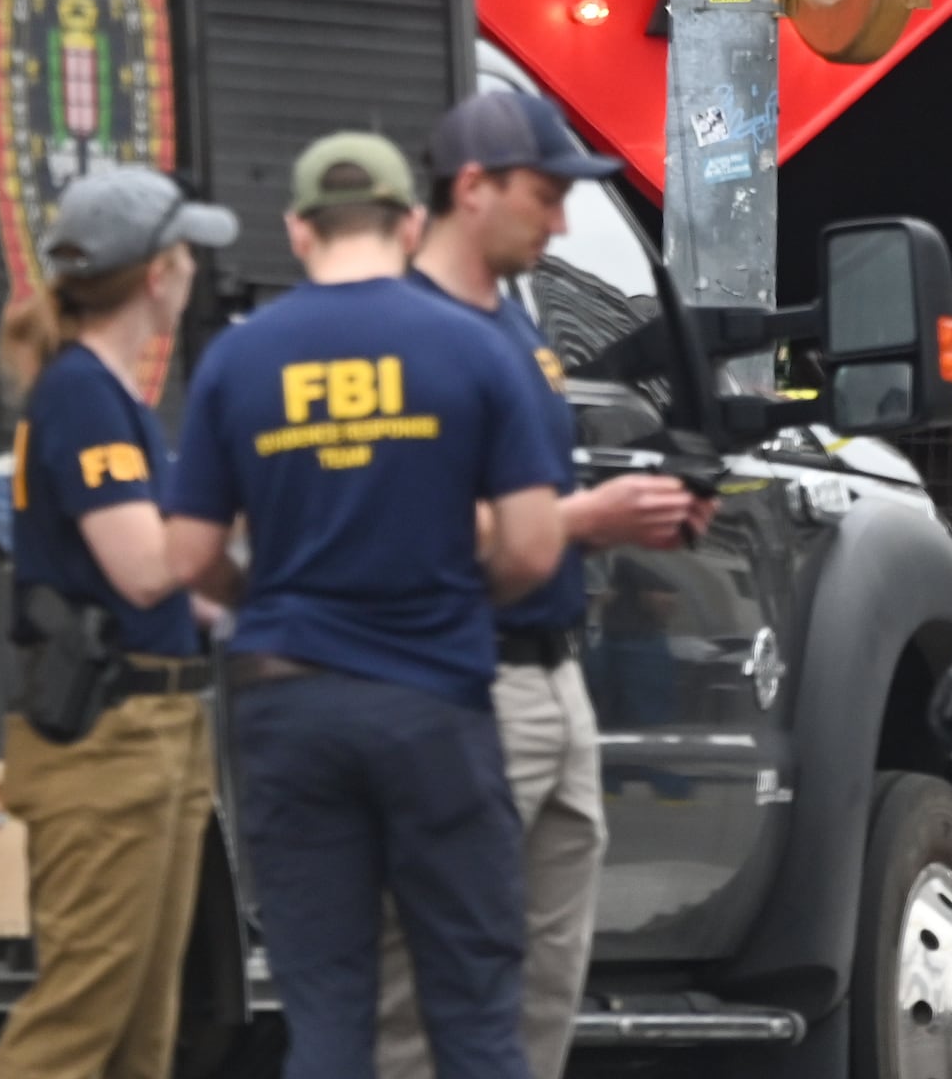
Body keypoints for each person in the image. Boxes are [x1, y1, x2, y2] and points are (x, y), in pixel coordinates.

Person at [165, 133, 570, 1079]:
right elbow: (534, 547)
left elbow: (188, 558)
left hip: (287, 708)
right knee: (472, 1008)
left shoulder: (238, 359)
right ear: (414, 222)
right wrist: (460, 596)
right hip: (435, 707)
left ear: (300, 231)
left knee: (329, 1011)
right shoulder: (476, 349)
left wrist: (259, 592)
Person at [379, 88, 709, 1079]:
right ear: (471, 188)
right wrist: (587, 521)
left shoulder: (516, 326)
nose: (563, 220)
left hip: (553, 678)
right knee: (421, 995)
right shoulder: (404, 333)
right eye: (547, 194)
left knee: (541, 993)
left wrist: (634, 517)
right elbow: (402, 532)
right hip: (458, 682)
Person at [0, 166, 239, 1079]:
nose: (192, 273)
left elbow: (175, 584)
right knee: (81, 1017)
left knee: (142, 1027)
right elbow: (141, 570)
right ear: (157, 271)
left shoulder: (110, 395)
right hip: (110, 738)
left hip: (155, 726)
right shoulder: (84, 395)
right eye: (185, 256)